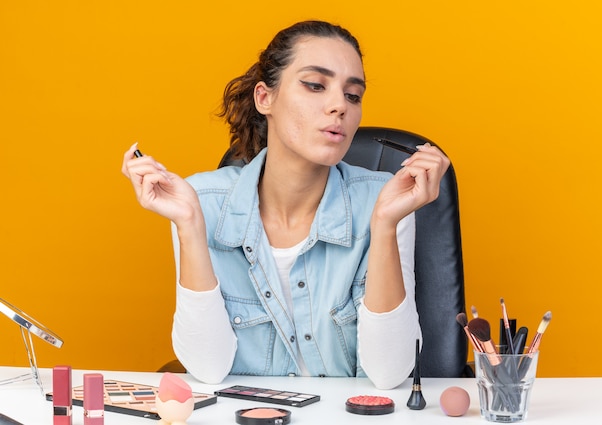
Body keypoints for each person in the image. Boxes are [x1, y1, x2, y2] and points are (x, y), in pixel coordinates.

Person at [121, 20, 450, 390]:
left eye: (353, 95)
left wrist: (386, 224)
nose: (339, 105)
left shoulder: (384, 200)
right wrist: (189, 226)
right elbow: (207, 368)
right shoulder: (201, 202)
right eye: (315, 85)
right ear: (265, 98)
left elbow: (389, 373)